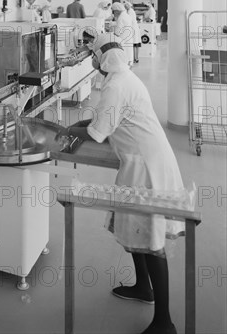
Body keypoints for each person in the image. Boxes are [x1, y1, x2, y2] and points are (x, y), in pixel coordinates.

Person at [57, 33, 184, 334]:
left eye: (94, 55)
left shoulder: (115, 86)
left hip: (146, 169)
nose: (91, 60)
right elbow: (107, 123)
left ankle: (165, 322)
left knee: (151, 240)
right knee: (135, 228)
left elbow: (99, 130)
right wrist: (78, 126)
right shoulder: (124, 77)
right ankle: (143, 287)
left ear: (103, 59)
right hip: (139, 161)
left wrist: (69, 128)